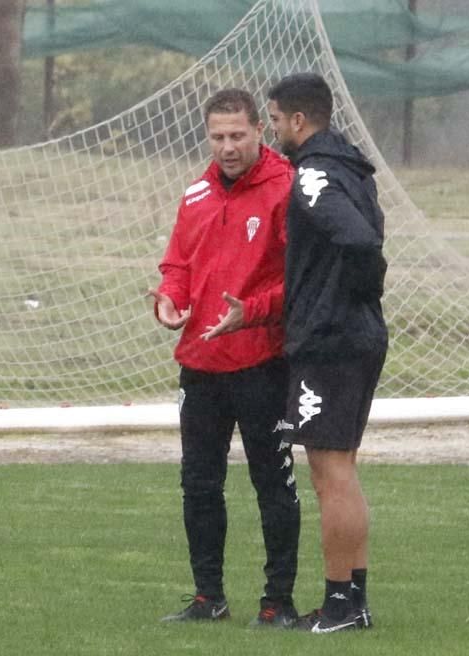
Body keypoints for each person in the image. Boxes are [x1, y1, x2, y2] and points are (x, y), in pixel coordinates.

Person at [150, 88, 301, 627]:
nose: (228, 147)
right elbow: (178, 266)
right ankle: (206, 597)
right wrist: (170, 300)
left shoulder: (288, 189)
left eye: (238, 135)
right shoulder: (195, 194)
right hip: (202, 364)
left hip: (263, 360)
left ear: (260, 129)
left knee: (273, 483)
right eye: (218, 137)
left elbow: (302, 281)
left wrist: (253, 311)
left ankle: (277, 601)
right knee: (198, 483)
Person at [266, 72, 388, 634]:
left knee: (329, 472)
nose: (273, 130)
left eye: (274, 119)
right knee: (339, 469)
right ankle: (351, 601)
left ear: (297, 120)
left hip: (331, 341)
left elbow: (360, 241)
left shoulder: (313, 173)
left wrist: (350, 296)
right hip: (350, 334)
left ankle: (340, 603)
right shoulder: (351, 167)